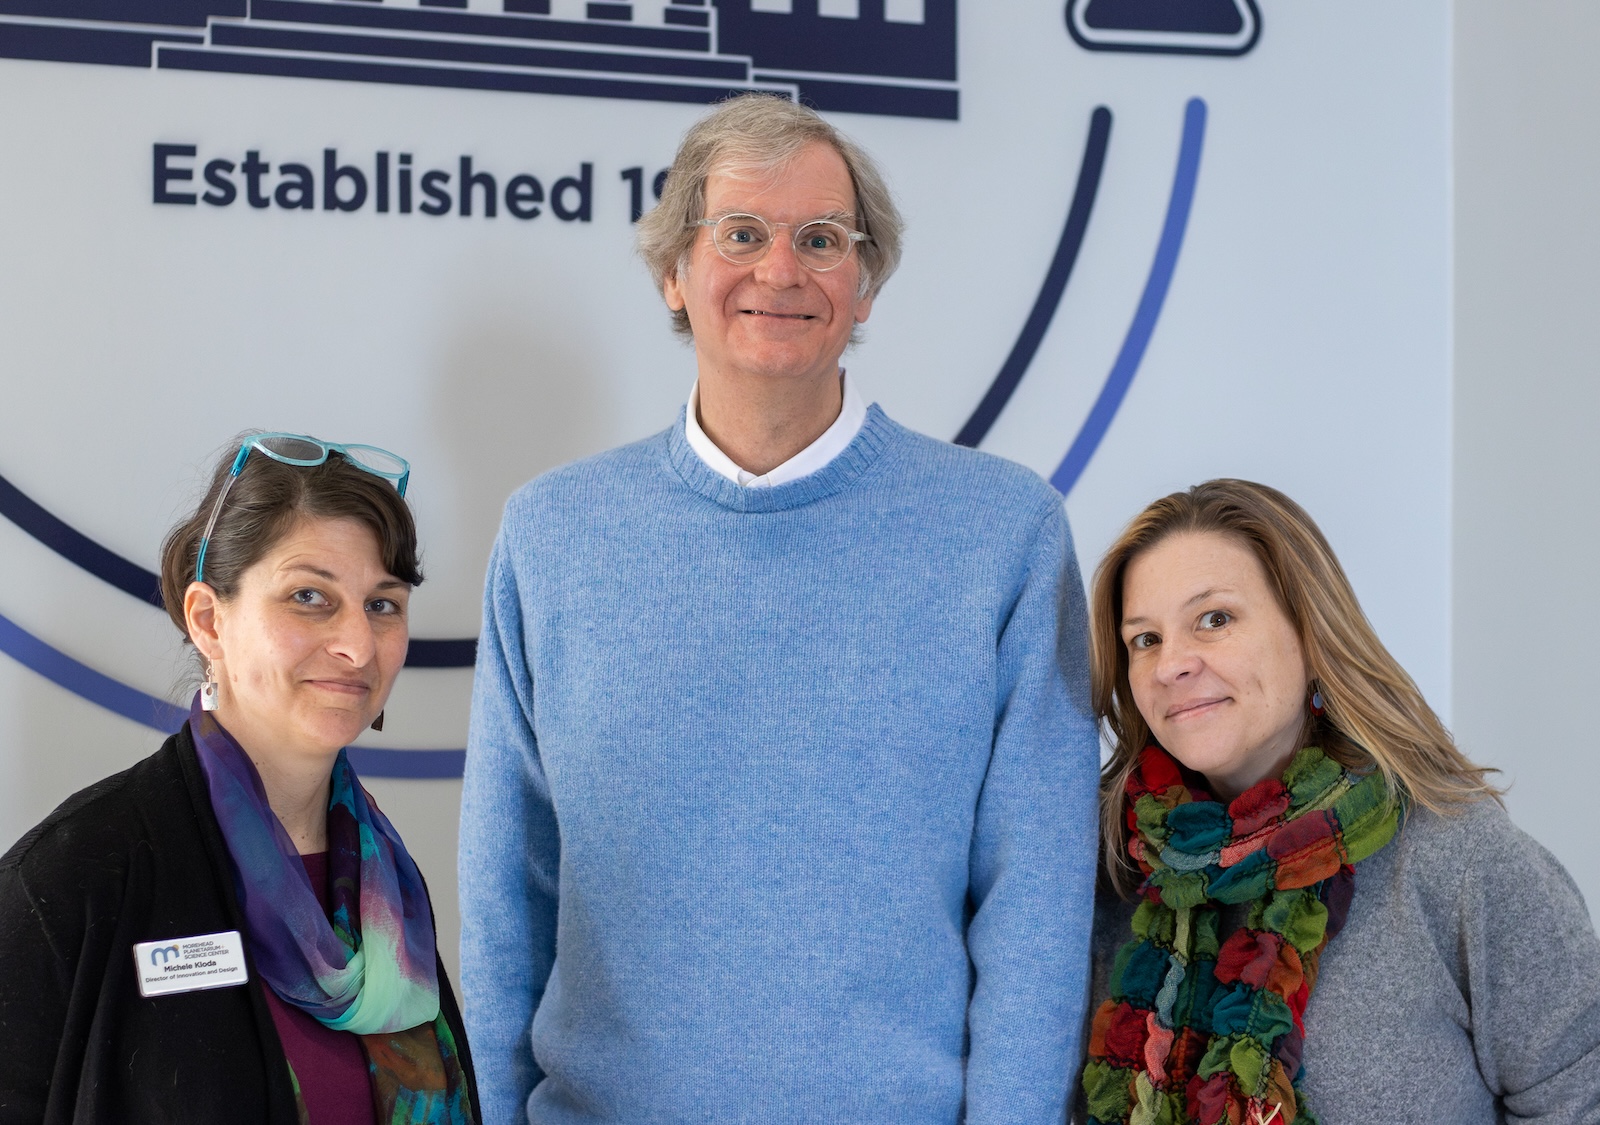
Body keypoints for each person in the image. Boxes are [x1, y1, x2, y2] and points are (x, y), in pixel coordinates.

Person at [460, 93, 1101, 1124]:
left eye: (821, 239)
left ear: (864, 285)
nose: (780, 270)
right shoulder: (552, 536)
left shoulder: (1002, 534)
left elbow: (1035, 901)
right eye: (741, 234)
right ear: (674, 271)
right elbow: (506, 894)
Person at [1079, 478, 1600, 1125]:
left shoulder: (1455, 857)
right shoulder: (1103, 873)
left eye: (1214, 618)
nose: (1171, 664)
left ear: (1309, 629)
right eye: (1144, 638)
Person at [0, 433, 479, 1124]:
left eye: (383, 603)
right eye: (309, 595)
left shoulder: (387, 890)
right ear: (208, 619)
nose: (357, 644)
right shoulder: (75, 878)